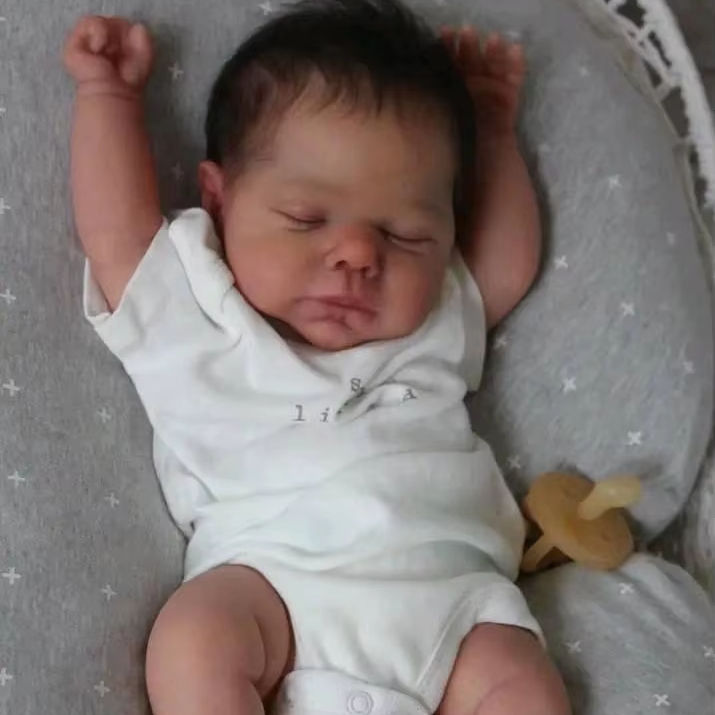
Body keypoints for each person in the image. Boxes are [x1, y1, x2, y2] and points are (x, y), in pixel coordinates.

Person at [62, 1, 571, 713]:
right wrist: (108, 98)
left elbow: (506, 262)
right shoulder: (199, 316)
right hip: (272, 592)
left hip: (454, 608)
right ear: (219, 200)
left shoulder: (433, 319)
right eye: (306, 219)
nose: (357, 254)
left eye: (404, 234)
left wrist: (491, 128)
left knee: (520, 678)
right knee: (192, 639)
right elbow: (117, 235)